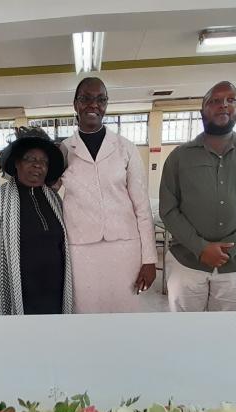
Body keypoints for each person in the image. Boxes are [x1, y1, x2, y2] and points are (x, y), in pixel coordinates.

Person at [159, 81, 236, 312]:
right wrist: (200, 247)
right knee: (185, 333)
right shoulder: (179, 157)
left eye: (230, 100)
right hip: (187, 264)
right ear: (202, 110)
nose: (223, 106)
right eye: (214, 101)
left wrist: (229, 251)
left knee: (228, 335)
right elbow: (168, 208)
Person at [60, 77, 156, 313]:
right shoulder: (63, 150)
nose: (93, 105)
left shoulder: (125, 148)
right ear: (75, 104)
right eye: (86, 99)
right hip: (81, 250)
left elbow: (141, 207)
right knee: (85, 313)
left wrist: (149, 259)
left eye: (100, 99)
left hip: (125, 249)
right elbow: (39, 186)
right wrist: (1, 189)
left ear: (106, 105)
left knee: (125, 313)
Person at [0, 127, 72, 315]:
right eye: (30, 159)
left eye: (44, 161)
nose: (38, 165)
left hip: (54, 295)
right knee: (16, 342)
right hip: (15, 296)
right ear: (16, 163)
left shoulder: (55, 200)